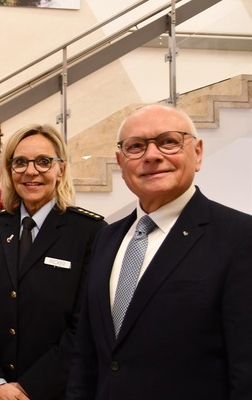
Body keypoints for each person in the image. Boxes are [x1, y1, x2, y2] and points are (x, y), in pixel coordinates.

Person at [67, 104, 252, 399]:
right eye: (136, 146)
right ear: (120, 161)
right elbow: (86, 356)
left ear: (198, 153)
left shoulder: (240, 237)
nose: (152, 155)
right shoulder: (106, 239)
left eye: (169, 141)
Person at [0, 124, 106, 400]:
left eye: (43, 162)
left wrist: (30, 388)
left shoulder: (89, 232)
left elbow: (84, 324)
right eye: (20, 162)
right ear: (9, 169)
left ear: (60, 169)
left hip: (55, 391)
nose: (31, 171)